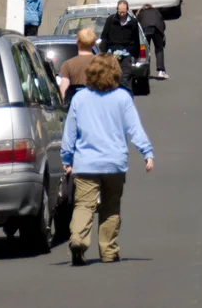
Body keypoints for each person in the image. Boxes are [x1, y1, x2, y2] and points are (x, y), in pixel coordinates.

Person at [61, 53, 153, 266]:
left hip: (86, 163)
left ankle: (78, 239)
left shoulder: (80, 98)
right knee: (111, 207)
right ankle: (109, 251)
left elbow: (70, 133)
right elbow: (134, 128)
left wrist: (67, 158)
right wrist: (146, 153)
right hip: (114, 163)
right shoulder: (123, 97)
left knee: (83, 205)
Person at [100, 0, 141, 88]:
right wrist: (103, 53)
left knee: (125, 77)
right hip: (112, 53)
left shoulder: (133, 22)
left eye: (124, 12)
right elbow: (104, 37)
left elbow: (136, 39)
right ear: (117, 9)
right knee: (112, 77)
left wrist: (136, 55)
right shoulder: (110, 20)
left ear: (127, 10)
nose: (122, 14)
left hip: (126, 53)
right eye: (120, 12)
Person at [58, 27, 98, 101]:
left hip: (76, 104)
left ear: (77, 41)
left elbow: (64, 89)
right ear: (94, 43)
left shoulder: (68, 64)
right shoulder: (102, 62)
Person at [137, 5, 168, 80]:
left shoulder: (140, 13)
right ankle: (161, 71)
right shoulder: (156, 11)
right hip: (157, 28)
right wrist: (162, 35)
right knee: (159, 49)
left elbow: (136, 25)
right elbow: (163, 24)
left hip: (145, 29)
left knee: (143, 49)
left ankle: (145, 71)